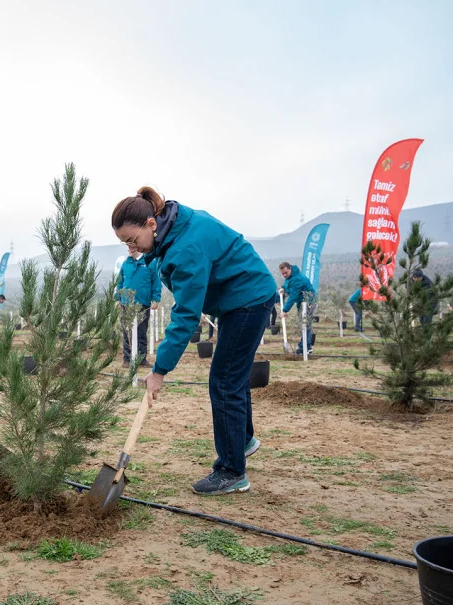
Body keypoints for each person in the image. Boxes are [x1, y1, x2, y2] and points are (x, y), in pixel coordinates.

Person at [111, 186, 276, 496]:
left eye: (133, 241)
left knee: (225, 380)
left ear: (151, 224)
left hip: (249, 300)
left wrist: (159, 369)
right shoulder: (172, 228)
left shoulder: (187, 245)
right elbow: (163, 262)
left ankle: (231, 470)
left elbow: (186, 315)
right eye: (124, 243)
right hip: (236, 300)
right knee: (232, 376)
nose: (131, 247)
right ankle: (242, 441)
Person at [115, 242, 161, 367]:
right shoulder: (126, 263)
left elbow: (156, 282)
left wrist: (155, 299)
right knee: (126, 331)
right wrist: (117, 298)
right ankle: (127, 359)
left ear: (139, 247)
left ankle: (141, 359)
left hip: (142, 303)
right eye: (128, 247)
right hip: (126, 303)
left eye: (131, 247)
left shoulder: (149, 262)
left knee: (141, 331)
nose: (129, 250)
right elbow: (120, 282)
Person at [278, 262, 316, 355]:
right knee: (303, 324)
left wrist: (285, 310)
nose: (284, 275)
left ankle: (305, 347)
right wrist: (283, 288)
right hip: (301, 302)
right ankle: (305, 347)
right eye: (282, 273)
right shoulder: (290, 276)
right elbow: (287, 284)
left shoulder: (297, 279)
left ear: (290, 268)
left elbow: (293, 296)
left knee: (305, 324)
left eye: (286, 272)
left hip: (308, 302)